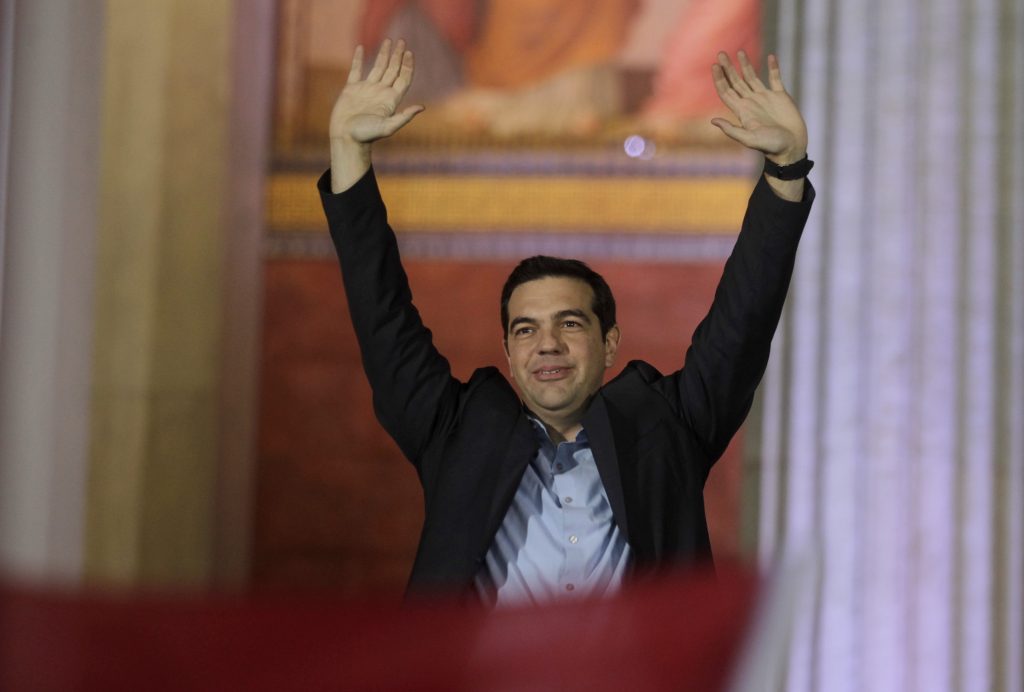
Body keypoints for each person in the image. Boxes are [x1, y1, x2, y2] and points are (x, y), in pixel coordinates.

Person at [319, 39, 814, 606]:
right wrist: (348, 153)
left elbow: (742, 322)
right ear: (508, 352)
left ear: (610, 343)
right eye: (525, 329)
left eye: (570, 324)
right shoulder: (455, 433)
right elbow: (383, 317)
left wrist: (785, 171)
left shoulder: (668, 428)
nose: (547, 344)